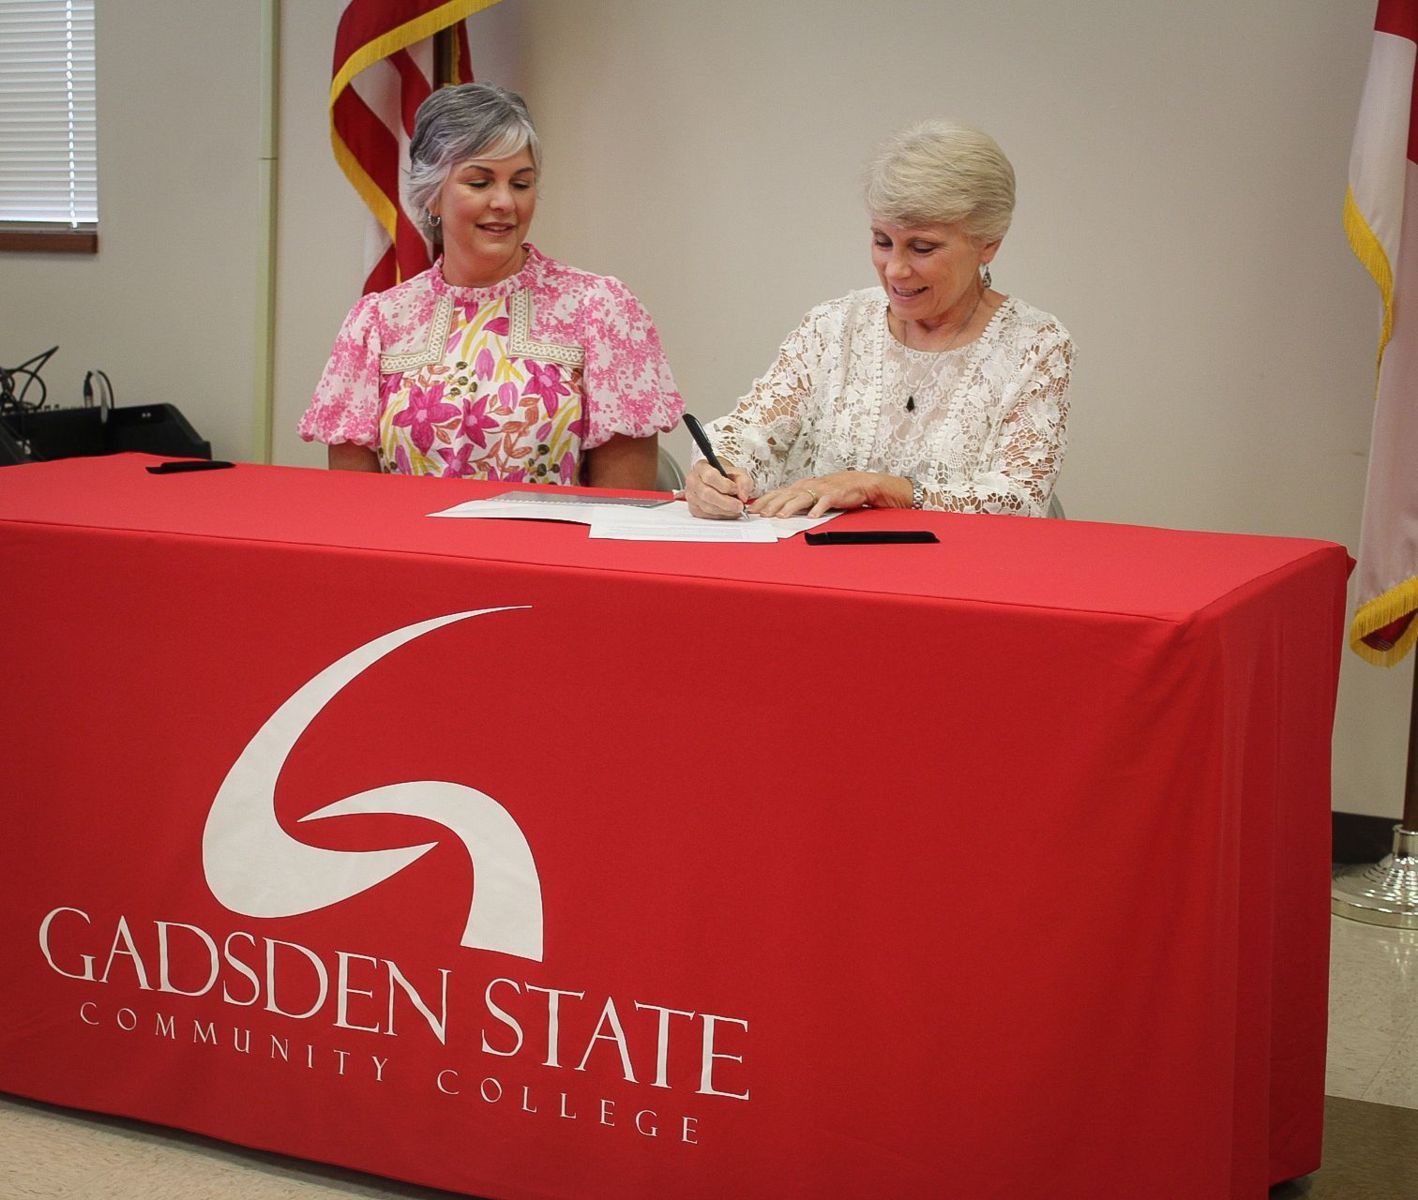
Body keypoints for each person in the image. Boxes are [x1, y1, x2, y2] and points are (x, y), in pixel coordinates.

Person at [685, 120, 1072, 520]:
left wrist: (878, 486)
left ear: (988, 243)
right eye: (882, 242)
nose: (895, 270)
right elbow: (748, 433)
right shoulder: (834, 326)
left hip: (950, 576)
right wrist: (719, 473)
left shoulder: (1034, 345)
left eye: (922, 248)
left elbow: (1020, 500)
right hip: (812, 571)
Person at [300, 84, 683, 488]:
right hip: (408, 550)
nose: (504, 202)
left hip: (549, 552)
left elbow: (622, 514)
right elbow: (356, 508)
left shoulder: (601, 309)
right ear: (433, 195)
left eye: (520, 184)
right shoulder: (376, 322)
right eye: (480, 183)